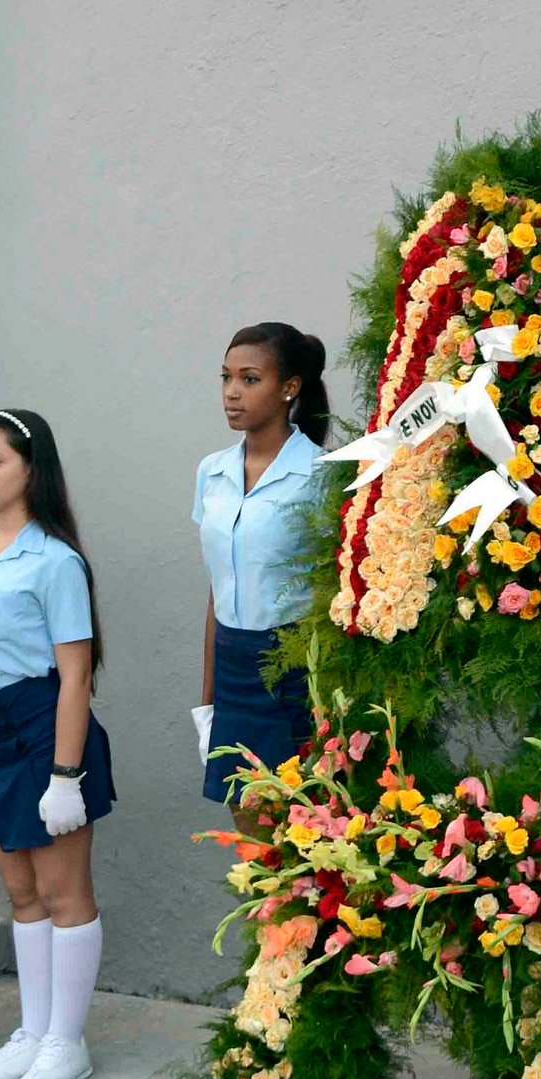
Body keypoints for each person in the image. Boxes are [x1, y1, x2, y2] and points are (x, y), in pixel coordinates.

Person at [0, 409, 116, 1079]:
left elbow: (75, 674)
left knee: (64, 893)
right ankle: (33, 1031)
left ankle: (66, 1042)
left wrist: (65, 776)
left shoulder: (55, 561)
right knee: (21, 894)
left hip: (42, 733)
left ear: (31, 468)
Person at [192, 323, 329, 804]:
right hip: (232, 666)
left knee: (301, 826)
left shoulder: (321, 474)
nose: (232, 392)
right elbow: (218, 588)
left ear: (289, 387)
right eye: (226, 377)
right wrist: (207, 702)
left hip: (293, 668)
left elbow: (332, 592)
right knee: (246, 824)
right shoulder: (212, 471)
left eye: (249, 379)